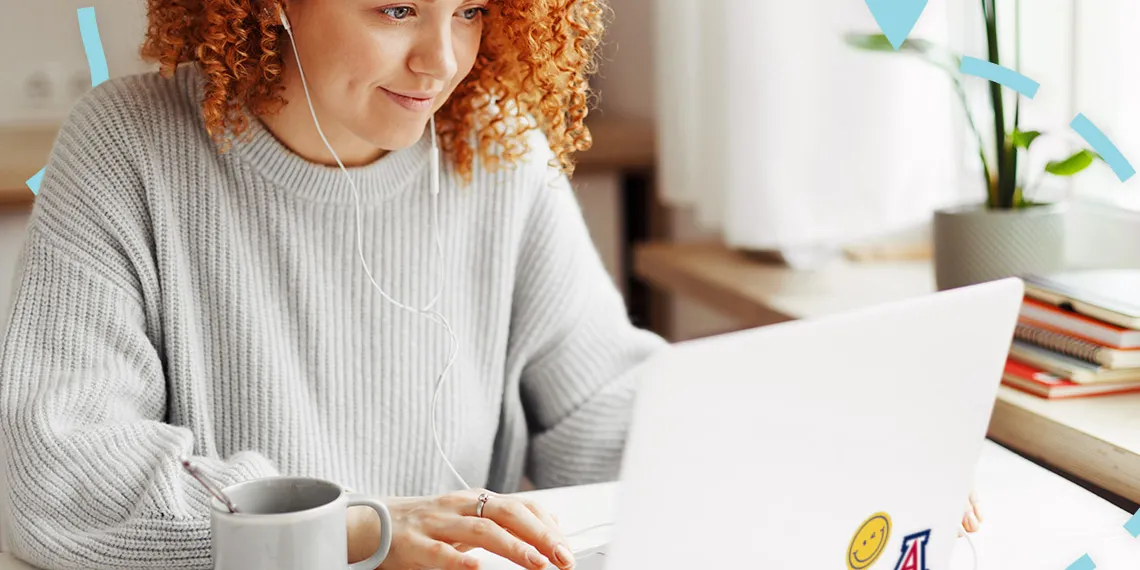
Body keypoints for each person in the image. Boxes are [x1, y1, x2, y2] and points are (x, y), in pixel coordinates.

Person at [0, 1, 981, 569]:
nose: (442, 59)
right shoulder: (127, 142)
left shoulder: (495, 146)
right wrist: (362, 534)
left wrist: (821, 450)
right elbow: (63, 473)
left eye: (469, 7)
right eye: (395, 7)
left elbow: (598, 403)